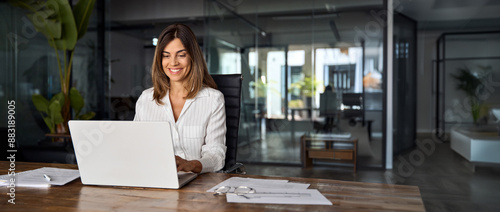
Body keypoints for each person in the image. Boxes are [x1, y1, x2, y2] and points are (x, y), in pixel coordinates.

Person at [134, 23, 226, 173]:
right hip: (155, 179)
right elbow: (135, 147)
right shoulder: (146, 99)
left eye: (181, 55)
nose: (173, 62)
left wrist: (193, 165)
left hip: (197, 184)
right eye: (166, 56)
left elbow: (216, 155)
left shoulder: (213, 100)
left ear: (192, 57)